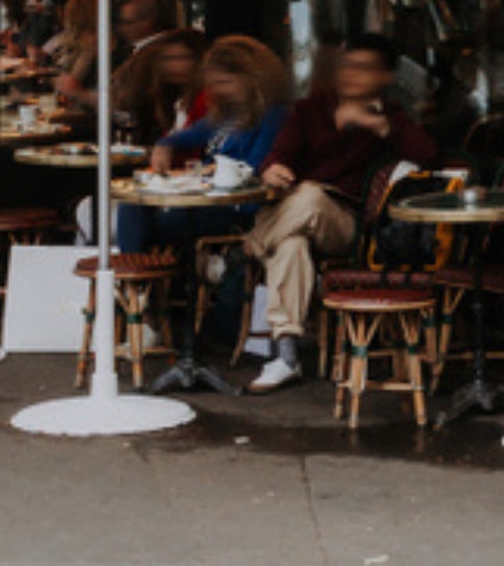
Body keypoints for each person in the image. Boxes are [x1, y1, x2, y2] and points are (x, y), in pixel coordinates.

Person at [237, 33, 438, 392]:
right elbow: (278, 157)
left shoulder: (390, 115)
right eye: (347, 66)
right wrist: (272, 170)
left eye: (364, 69)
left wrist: (377, 125)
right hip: (296, 213)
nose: (351, 75)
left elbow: (429, 155)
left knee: (311, 196)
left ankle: (251, 243)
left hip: (347, 223)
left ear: (385, 76)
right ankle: (286, 356)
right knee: (291, 245)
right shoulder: (311, 108)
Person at [117, 37, 293, 348]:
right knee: (133, 205)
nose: (218, 90)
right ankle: (141, 303)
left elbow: (256, 167)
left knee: (145, 218)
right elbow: (187, 135)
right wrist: (164, 145)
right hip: (206, 203)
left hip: (237, 211)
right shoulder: (226, 115)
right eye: (214, 83)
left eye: (225, 82)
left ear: (251, 79)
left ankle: (141, 305)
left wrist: (209, 173)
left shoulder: (273, 117)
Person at [112, 28, 211, 146]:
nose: (173, 66)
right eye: (167, 59)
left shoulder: (207, 101)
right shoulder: (162, 101)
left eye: (182, 58)